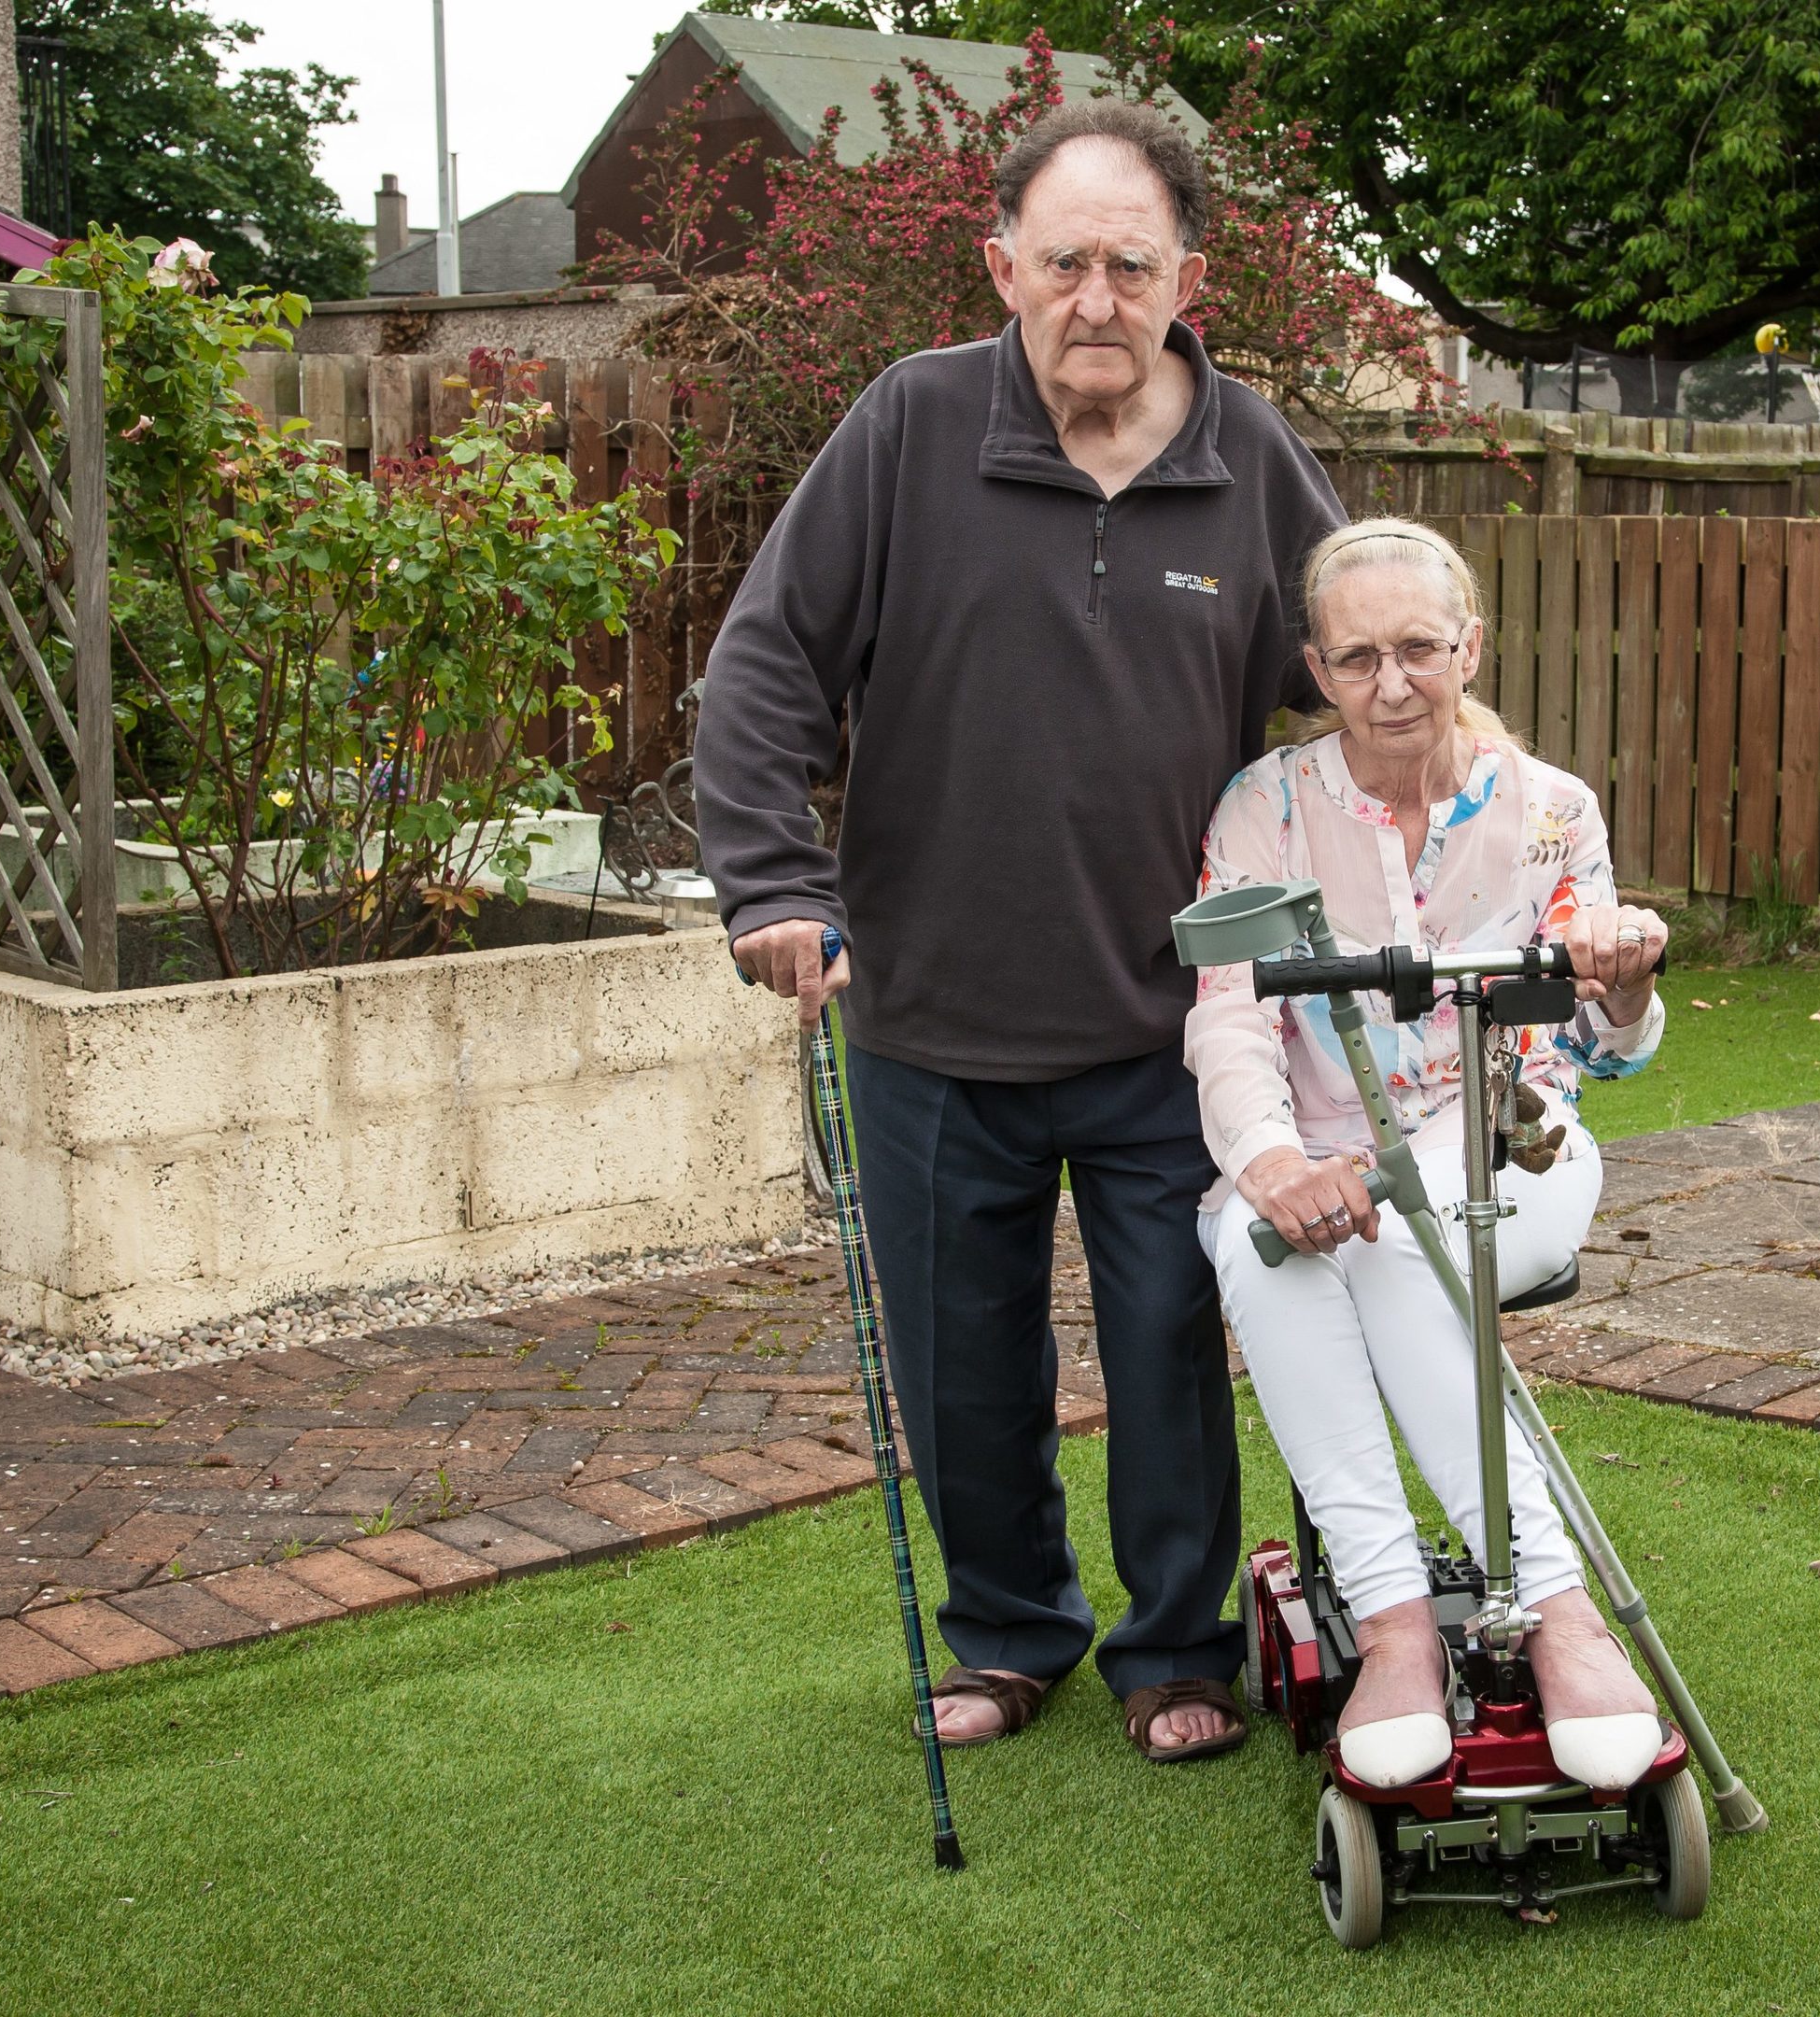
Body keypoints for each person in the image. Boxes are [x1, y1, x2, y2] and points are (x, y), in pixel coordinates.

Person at [698, 99, 1345, 1763]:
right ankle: (1005, 1633)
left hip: (1170, 1027)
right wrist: (773, 881)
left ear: (1187, 277)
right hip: (927, 1015)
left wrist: (1478, 821)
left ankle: (1176, 1651)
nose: (1098, 296)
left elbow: (1361, 679)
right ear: (1004, 266)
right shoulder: (911, 427)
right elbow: (769, 662)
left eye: (1134, 264)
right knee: (963, 1362)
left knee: (1167, 1352)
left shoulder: (1250, 457)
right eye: (1065, 262)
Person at [1184, 517, 1675, 1792]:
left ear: (1470, 644)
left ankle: (1549, 1614)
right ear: (1316, 665)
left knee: (1401, 1234)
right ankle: (1401, 1622)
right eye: (1356, 661)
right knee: (1260, 1241)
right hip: (1327, 1155)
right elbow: (1229, 1016)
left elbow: (1606, 1044)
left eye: (1418, 649)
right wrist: (1275, 1167)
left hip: (1516, 1149)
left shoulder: (1554, 810)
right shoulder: (1265, 808)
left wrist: (1624, 984)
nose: (1391, 684)